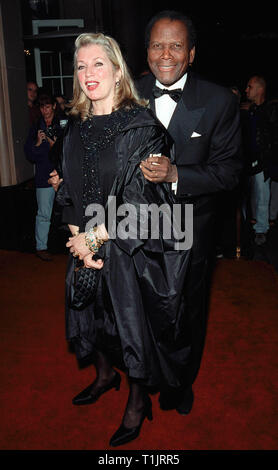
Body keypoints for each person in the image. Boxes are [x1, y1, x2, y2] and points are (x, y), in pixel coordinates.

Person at [50, 32, 191, 447]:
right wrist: (79, 242)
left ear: (116, 71)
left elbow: (149, 200)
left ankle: (136, 402)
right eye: (81, 66)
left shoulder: (142, 127)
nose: (88, 73)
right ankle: (105, 376)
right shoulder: (75, 127)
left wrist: (94, 239)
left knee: (131, 328)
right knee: (91, 317)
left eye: (98, 64)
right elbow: (70, 188)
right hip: (85, 243)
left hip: (128, 247)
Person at [136, 10, 242, 415]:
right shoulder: (127, 93)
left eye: (176, 45)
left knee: (185, 311)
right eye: (157, 45)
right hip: (137, 225)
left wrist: (179, 174)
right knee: (141, 307)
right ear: (146, 51)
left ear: (192, 53)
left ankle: (179, 382)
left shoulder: (218, 101)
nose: (166, 53)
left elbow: (230, 172)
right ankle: (143, 378)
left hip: (190, 226)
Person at [25, 93, 63, 261]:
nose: (45, 110)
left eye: (47, 106)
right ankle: (41, 247)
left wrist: (54, 145)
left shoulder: (63, 123)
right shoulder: (36, 127)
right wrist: (40, 143)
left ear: (54, 106)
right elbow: (30, 154)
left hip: (62, 175)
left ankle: (74, 244)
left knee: (70, 210)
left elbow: (67, 151)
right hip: (43, 176)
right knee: (44, 214)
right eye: (42, 107)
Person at [241, 75, 278, 245]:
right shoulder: (252, 110)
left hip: (266, 160)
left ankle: (262, 229)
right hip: (255, 160)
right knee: (260, 194)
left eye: (250, 87)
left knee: (264, 194)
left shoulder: (271, 109)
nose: (246, 90)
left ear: (260, 89)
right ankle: (260, 226)